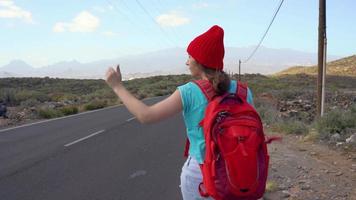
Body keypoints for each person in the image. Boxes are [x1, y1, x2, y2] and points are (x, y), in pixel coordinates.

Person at [105, 25, 254, 200]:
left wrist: (117, 86)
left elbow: (146, 115)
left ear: (199, 61)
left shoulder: (190, 91)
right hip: (239, 172)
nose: (187, 62)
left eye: (189, 56)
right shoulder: (244, 91)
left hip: (201, 177)